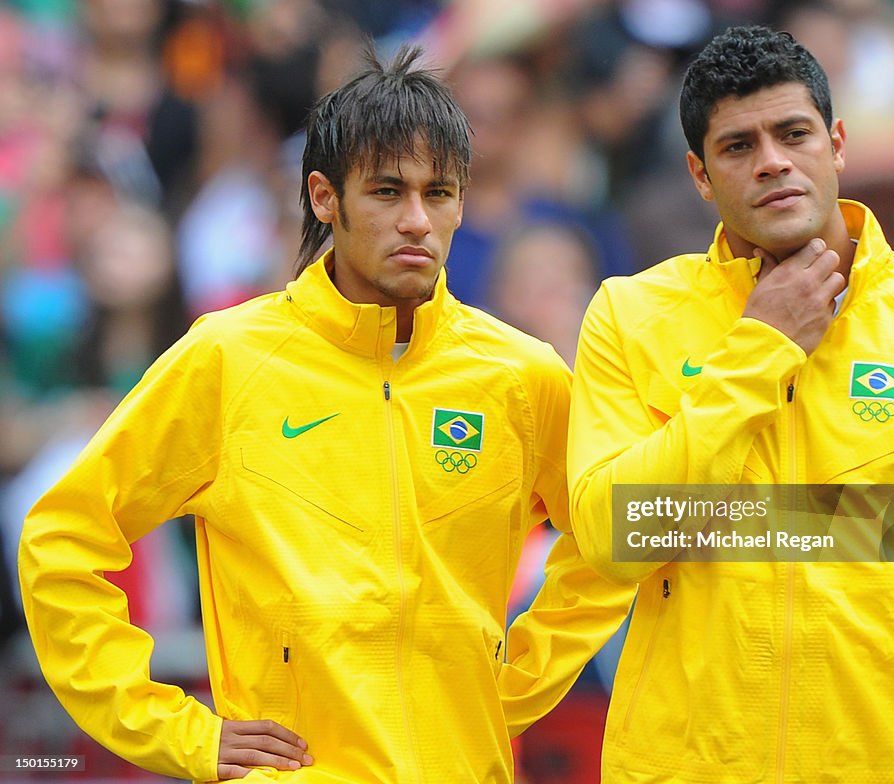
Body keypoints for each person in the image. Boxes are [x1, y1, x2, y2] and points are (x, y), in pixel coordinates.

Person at [18, 44, 633, 783]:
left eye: (438, 193)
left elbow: (611, 537)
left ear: (463, 203)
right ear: (323, 197)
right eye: (386, 191)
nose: (416, 220)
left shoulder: (522, 375)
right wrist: (174, 730)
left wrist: (515, 684)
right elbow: (63, 537)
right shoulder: (228, 359)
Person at [567, 25, 894, 783]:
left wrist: (882, 656)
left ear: (837, 144)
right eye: (738, 146)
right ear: (700, 175)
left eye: (793, 133)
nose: (772, 161)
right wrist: (762, 347)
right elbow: (615, 537)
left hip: (893, 763)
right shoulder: (628, 317)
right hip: (688, 767)